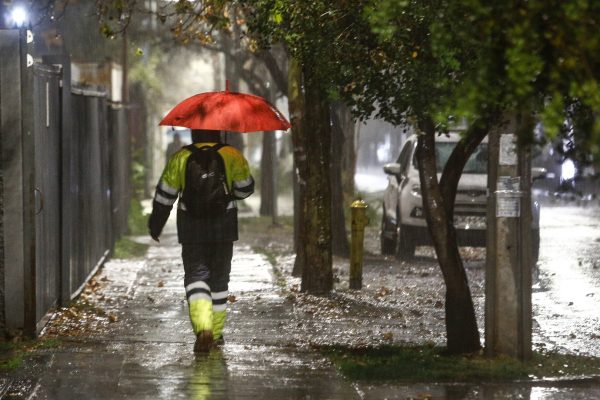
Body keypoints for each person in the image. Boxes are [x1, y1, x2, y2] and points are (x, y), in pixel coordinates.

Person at [148, 129, 255, 353]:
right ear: (217, 131)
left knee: (196, 275)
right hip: (224, 226)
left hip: (191, 226)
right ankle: (215, 334)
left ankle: (202, 328)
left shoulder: (181, 157)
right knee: (219, 280)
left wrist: (156, 224)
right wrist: (228, 189)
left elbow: (165, 195)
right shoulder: (231, 154)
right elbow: (246, 188)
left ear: (194, 132)